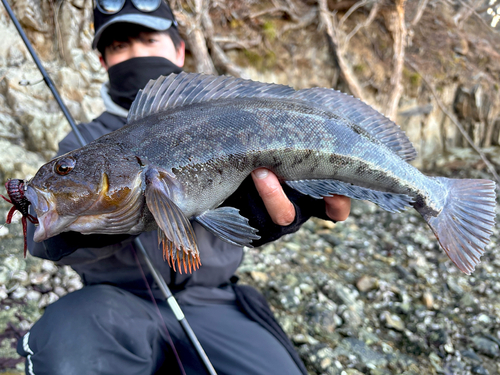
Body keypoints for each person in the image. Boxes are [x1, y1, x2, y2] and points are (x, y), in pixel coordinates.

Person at [16, 1, 351, 374]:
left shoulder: (228, 115)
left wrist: (272, 219)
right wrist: (84, 228)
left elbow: (284, 201)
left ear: (179, 50)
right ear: (102, 61)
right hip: (115, 303)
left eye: (148, 39)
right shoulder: (82, 143)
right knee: (65, 356)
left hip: (214, 301)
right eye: (119, 46)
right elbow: (39, 239)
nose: (135, 54)